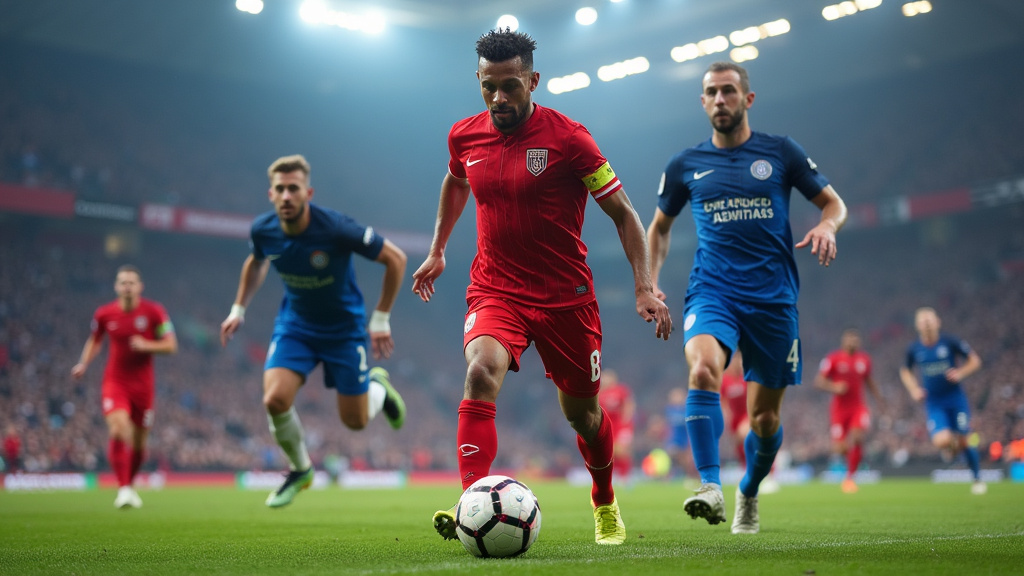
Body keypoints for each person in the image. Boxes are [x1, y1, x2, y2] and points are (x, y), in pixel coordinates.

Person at [412, 28, 672, 546]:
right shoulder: (464, 135)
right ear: (479, 80)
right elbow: (456, 179)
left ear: (533, 80)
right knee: (481, 371)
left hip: (564, 298)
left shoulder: (571, 139)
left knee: (583, 415)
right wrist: (438, 248)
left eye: (510, 85)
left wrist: (645, 286)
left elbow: (624, 214)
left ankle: (604, 501)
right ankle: (470, 503)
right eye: (489, 86)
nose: (499, 98)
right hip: (496, 289)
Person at [646, 61, 848, 535]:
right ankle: (710, 486)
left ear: (747, 99)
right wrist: (649, 280)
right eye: (712, 93)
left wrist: (826, 225)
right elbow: (659, 228)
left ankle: (750, 490)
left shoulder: (781, 153)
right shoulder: (685, 165)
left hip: (774, 300)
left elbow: (834, 204)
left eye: (729, 91)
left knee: (763, 418)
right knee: (701, 369)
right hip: (712, 290)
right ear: (702, 101)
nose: (720, 100)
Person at [220, 154, 408, 508]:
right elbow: (256, 261)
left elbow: (395, 259)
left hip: (344, 331)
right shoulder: (263, 230)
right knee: (274, 399)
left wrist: (381, 318)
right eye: (280, 189)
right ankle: (301, 469)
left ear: (308, 192)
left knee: (355, 422)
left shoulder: (335, 228)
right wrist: (238, 308)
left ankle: (378, 389)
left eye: (294, 189)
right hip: (297, 327)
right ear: (270, 194)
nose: (287, 196)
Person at [71, 265, 178, 509]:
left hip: (144, 387)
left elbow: (171, 345)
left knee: (140, 444)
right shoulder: (104, 314)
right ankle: (123, 488)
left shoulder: (154, 312)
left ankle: (129, 485)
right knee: (118, 429)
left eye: (131, 282)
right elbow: (95, 340)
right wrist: (83, 363)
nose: (127, 286)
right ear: (116, 287)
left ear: (140, 287)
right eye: (123, 282)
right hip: (115, 382)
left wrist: (146, 345)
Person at [899, 307, 985, 495]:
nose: (927, 323)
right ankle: (951, 444)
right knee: (940, 441)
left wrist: (961, 373)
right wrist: (914, 389)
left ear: (938, 322)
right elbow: (905, 371)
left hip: (956, 399)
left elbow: (975, 361)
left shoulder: (950, 342)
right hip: (934, 402)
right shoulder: (914, 349)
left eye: (930, 319)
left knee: (965, 439)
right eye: (923, 320)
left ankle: (977, 479)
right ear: (917, 326)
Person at [814, 328, 885, 493]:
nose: (852, 342)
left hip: (858, 407)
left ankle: (850, 478)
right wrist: (834, 387)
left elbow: (869, 381)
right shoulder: (833, 359)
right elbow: (818, 381)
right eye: (849, 340)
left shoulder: (864, 360)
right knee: (840, 448)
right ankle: (850, 461)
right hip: (839, 410)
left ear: (859, 342)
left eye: (855, 340)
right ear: (843, 341)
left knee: (858, 437)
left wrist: (879, 399)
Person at [598, 369, 636, 483]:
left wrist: (626, 419)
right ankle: (617, 475)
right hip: (608, 426)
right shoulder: (600, 392)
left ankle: (626, 476)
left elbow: (629, 404)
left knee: (621, 450)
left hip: (621, 425)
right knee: (609, 451)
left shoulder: (621, 390)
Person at [720, 351, 749, 467]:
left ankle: (770, 470)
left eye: (740, 360)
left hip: (747, 414)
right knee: (739, 446)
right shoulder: (725, 380)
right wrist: (726, 417)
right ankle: (747, 469)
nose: (738, 363)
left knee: (744, 434)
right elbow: (723, 401)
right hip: (734, 418)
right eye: (735, 360)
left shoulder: (747, 377)